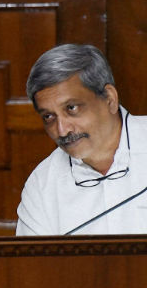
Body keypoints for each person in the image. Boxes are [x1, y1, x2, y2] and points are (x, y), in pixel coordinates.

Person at [17, 43, 147, 235]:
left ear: (110, 98)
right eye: (49, 117)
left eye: (72, 108)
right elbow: (32, 256)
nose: (62, 130)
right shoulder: (42, 184)